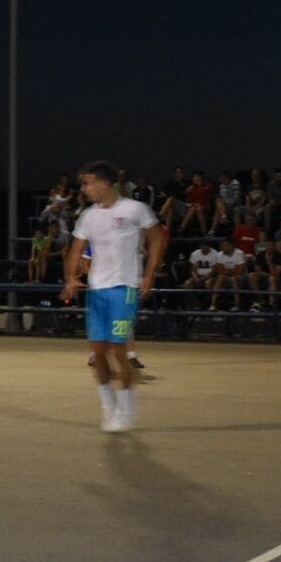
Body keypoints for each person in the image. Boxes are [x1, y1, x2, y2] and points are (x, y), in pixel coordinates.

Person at [61, 160, 165, 433]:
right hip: (97, 289)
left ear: (104, 183)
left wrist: (149, 274)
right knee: (97, 353)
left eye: (88, 183)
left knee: (118, 350)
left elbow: (157, 239)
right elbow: (75, 249)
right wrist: (70, 277)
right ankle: (109, 406)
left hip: (124, 287)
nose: (84, 189)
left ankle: (126, 408)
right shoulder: (87, 216)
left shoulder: (135, 209)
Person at [210, 238, 247, 311]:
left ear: (231, 246)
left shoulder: (239, 253)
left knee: (233, 279)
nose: (221, 248)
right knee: (220, 277)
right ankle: (213, 304)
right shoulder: (219, 255)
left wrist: (226, 271)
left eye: (224, 246)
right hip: (225, 278)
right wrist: (234, 269)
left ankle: (236, 305)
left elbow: (240, 272)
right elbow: (220, 272)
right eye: (221, 246)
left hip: (240, 278)